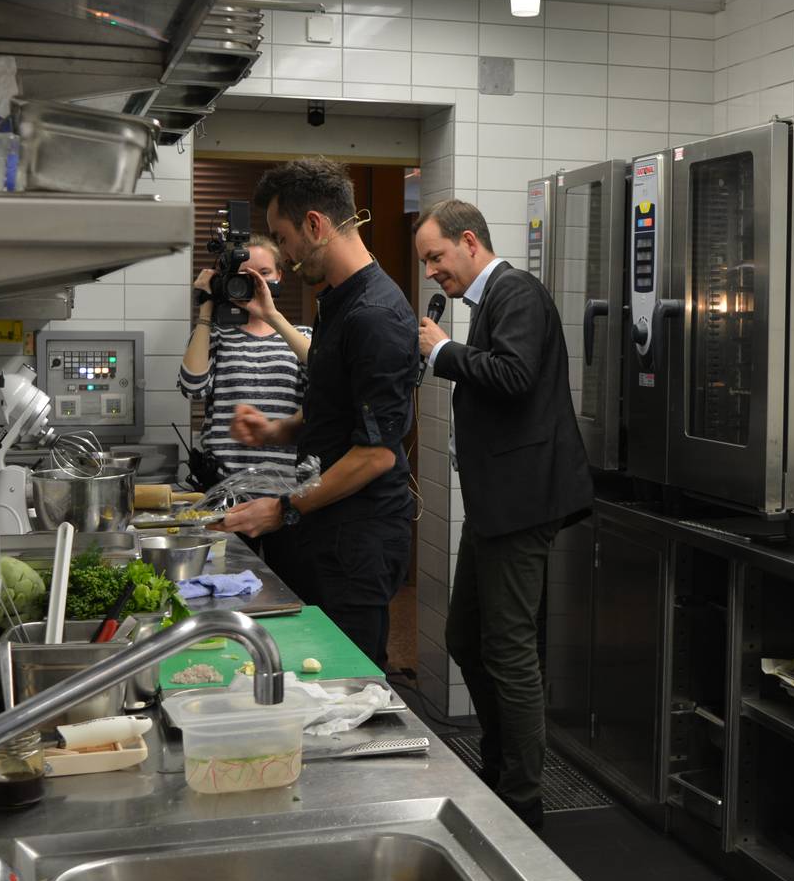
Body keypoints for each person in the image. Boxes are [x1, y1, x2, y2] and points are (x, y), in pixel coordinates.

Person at [414, 198, 594, 830]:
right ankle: (496, 765)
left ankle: (521, 798)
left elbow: (514, 375)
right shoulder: (491, 300)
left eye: (436, 256)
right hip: (498, 502)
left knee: (510, 649)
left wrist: (443, 352)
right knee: (466, 638)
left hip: (523, 502)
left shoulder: (516, 291)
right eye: (426, 262)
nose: (432, 271)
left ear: (470, 241)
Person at [219, 158, 418, 671]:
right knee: (315, 667)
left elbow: (375, 455)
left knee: (350, 678)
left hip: (360, 538)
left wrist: (284, 507)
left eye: (283, 238)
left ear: (314, 224)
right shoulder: (336, 302)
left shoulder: (375, 315)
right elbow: (334, 404)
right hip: (328, 526)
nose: (283, 254)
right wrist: (275, 430)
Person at [177, 234, 312, 478]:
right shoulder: (214, 335)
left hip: (287, 482)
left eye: (264, 272)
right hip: (223, 482)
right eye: (244, 275)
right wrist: (206, 307)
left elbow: (327, 374)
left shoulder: (302, 336)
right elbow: (192, 388)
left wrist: (271, 316)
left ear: (279, 276)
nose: (254, 281)